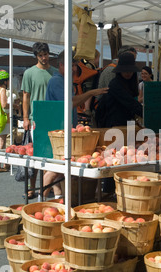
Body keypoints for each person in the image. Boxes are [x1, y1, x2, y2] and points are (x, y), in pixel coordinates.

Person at [42, 51, 108, 199]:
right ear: (60, 65)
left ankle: (58, 198)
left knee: (59, 169)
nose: (74, 69)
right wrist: (91, 93)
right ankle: (37, 203)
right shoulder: (57, 81)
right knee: (55, 169)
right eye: (70, 65)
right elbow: (70, 103)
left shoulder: (66, 80)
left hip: (66, 130)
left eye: (75, 65)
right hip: (59, 132)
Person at [21, 42, 58, 199]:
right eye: (41, 55)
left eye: (46, 54)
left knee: (53, 155)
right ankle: (32, 187)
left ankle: (48, 187)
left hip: (53, 118)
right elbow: (26, 96)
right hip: (36, 119)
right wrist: (25, 117)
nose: (44, 58)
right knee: (36, 155)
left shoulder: (56, 72)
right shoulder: (29, 73)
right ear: (36, 56)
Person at [95, 52, 143, 128]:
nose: (128, 73)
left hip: (124, 124)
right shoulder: (115, 84)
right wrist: (148, 114)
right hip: (112, 125)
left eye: (130, 70)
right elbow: (131, 103)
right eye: (125, 70)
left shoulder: (130, 83)